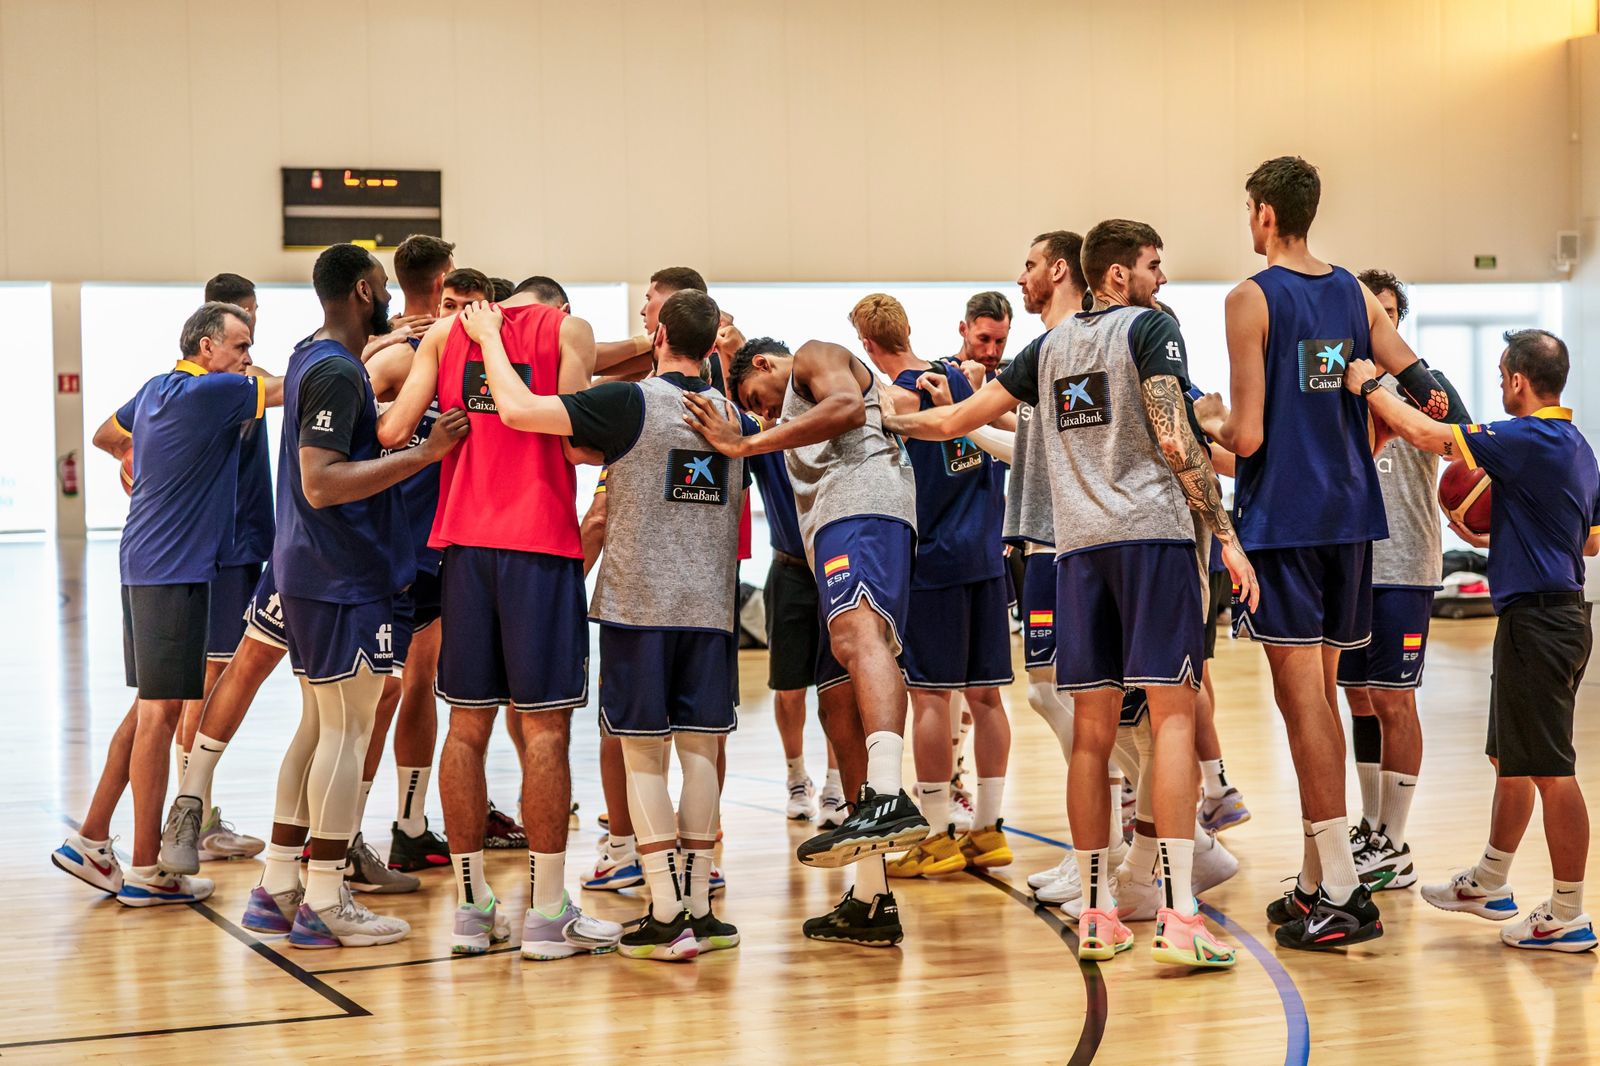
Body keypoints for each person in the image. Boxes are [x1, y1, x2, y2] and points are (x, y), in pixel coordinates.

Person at [882, 219, 1254, 969]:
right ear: (1118, 276)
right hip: (1153, 541)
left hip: (1079, 552)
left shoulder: (1045, 350)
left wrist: (873, 415)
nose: (1163, 279)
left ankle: (1096, 913)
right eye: (1155, 265)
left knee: (1089, 733)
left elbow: (954, 421)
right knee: (1171, 720)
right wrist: (1228, 535)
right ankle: (1180, 915)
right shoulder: (1149, 329)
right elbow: (1177, 435)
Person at [1195, 156, 1466, 951]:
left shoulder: (1251, 298)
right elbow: (1432, 392)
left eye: (1250, 211)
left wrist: (1207, 417)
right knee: (1321, 693)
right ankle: (1318, 878)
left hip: (1288, 522)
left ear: (1265, 216)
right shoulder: (1351, 291)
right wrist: (1367, 394)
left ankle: (1343, 891)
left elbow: (1247, 437)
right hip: (1354, 520)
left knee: (1303, 701)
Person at [460, 289, 742, 961]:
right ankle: (701, 911)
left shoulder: (631, 402)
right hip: (711, 607)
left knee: (643, 753)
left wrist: (492, 339)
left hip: (641, 607)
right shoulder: (730, 413)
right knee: (700, 753)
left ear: (663, 333)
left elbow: (522, 410)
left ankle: (666, 915)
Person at [379, 255, 622, 961]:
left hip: (463, 548)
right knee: (544, 734)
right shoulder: (567, 330)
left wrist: (447, 437)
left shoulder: (443, 336)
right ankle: (547, 916)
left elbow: (395, 432)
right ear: (555, 306)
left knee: (466, 728)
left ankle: (470, 912)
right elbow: (579, 444)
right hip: (540, 549)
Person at [242, 244, 467, 949]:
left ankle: (278, 886)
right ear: (367, 290)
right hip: (338, 575)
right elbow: (322, 481)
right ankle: (325, 900)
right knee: (348, 731)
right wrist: (421, 456)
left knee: (316, 727)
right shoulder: (339, 371)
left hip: (311, 570)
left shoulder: (311, 355)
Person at [1353, 330, 1599, 951]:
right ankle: (1490, 880)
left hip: (1541, 622)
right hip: (1550, 615)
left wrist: (1371, 387)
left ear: (1517, 380)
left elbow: (1431, 436)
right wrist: (1518, 527)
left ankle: (1569, 911)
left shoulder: (1528, 435)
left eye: (1500, 376)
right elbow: (1591, 541)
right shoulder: (1577, 446)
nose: (1497, 386)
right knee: (1510, 759)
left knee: (1550, 770)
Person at [692, 337, 928, 947]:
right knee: (836, 704)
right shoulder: (789, 407)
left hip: (864, 509)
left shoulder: (814, 355)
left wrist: (747, 441)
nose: (765, 415)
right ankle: (872, 899)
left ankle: (886, 793)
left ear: (767, 366)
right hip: (831, 529)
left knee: (859, 636)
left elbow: (849, 406)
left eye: (757, 399)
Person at [54, 302, 282, 906]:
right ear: (207, 348)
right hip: (171, 568)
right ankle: (149, 868)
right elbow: (295, 387)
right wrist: (373, 350)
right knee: (159, 714)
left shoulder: (158, 387)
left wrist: (137, 455)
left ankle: (94, 837)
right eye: (240, 345)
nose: (247, 357)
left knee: (148, 708)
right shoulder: (216, 393)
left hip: (147, 562)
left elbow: (107, 432)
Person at [846, 293, 1014, 880]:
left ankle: (938, 835)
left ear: (866, 346)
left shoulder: (900, 398)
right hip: (988, 559)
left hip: (937, 563)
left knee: (931, 701)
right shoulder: (964, 384)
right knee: (988, 699)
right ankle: (989, 832)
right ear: (908, 329)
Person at [1337, 270, 1442, 891]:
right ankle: (1374, 826)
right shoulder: (1340, 388)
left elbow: (1453, 440)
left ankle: (1396, 844)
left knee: (1396, 700)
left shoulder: (1425, 386)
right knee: (1359, 699)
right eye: (1373, 312)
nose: (1383, 321)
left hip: (1405, 565)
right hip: (1352, 566)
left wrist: (1380, 388)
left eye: (1391, 312)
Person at [737, 337, 837, 823]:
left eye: (758, 398)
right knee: (789, 686)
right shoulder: (761, 438)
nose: (763, 408)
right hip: (790, 571)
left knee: (840, 683)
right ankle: (797, 777)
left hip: (837, 568)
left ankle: (837, 786)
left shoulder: (826, 416)